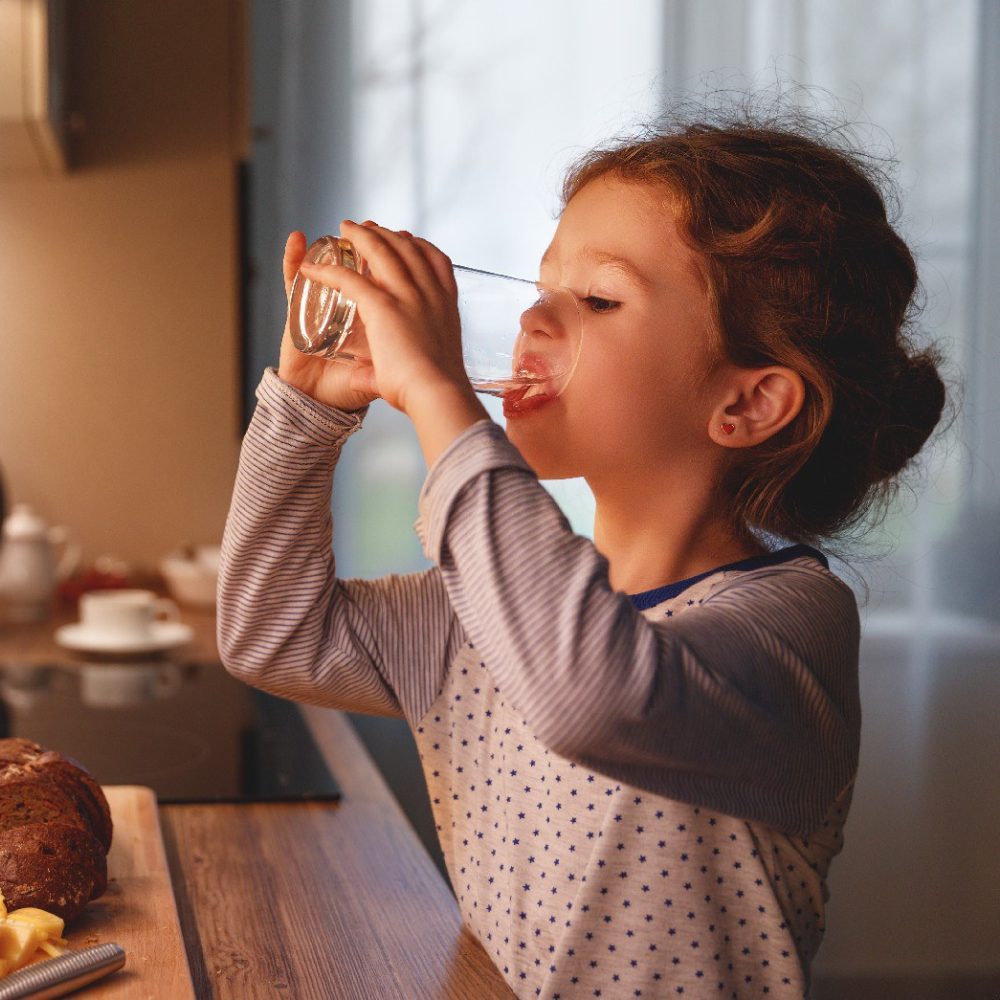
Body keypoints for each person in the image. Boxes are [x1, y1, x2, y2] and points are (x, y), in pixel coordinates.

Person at [216, 101, 946, 999]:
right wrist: (308, 409)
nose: (533, 319)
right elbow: (271, 634)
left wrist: (439, 390)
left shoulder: (790, 625)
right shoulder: (483, 614)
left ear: (747, 405)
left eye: (598, 298)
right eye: (542, 287)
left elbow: (592, 693)